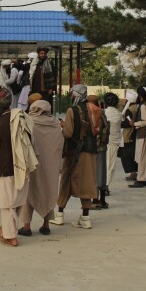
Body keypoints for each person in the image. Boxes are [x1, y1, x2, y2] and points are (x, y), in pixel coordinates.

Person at [0, 87, 37, 247]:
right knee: (18, 201)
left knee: (7, 204)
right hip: (23, 166)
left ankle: (10, 236)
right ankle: (8, 230)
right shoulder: (23, 118)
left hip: (5, 168)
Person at [51, 84, 98, 229]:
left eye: (72, 94)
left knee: (66, 181)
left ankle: (59, 215)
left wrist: (63, 125)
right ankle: (85, 218)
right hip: (90, 152)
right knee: (87, 182)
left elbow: (68, 133)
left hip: (74, 152)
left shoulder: (72, 110)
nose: (71, 96)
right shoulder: (94, 109)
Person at [18, 98, 65, 236]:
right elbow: (59, 143)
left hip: (33, 164)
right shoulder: (56, 123)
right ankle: (46, 225)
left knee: (29, 192)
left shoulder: (28, 121)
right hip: (51, 165)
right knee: (48, 190)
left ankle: (26, 226)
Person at [128, 86, 146, 188]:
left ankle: (142, 179)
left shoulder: (143, 106)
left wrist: (134, 124)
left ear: (140, 95)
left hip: (143, 135)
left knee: (142, 158)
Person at [103, 92, 123, 193]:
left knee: (102, 164)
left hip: (104, 142)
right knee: (110, 166)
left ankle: (101, 184)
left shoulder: (103, 112)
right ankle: (106, 185)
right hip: (114, 142)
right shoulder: (119, 114)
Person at [120, 90, 140, 180]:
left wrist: (119, 123)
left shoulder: (129, 109)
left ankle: (133, 173)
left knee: (127, 155)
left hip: (128, 135)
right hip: (137, 134)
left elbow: (128, 123)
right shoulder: (139, 106)